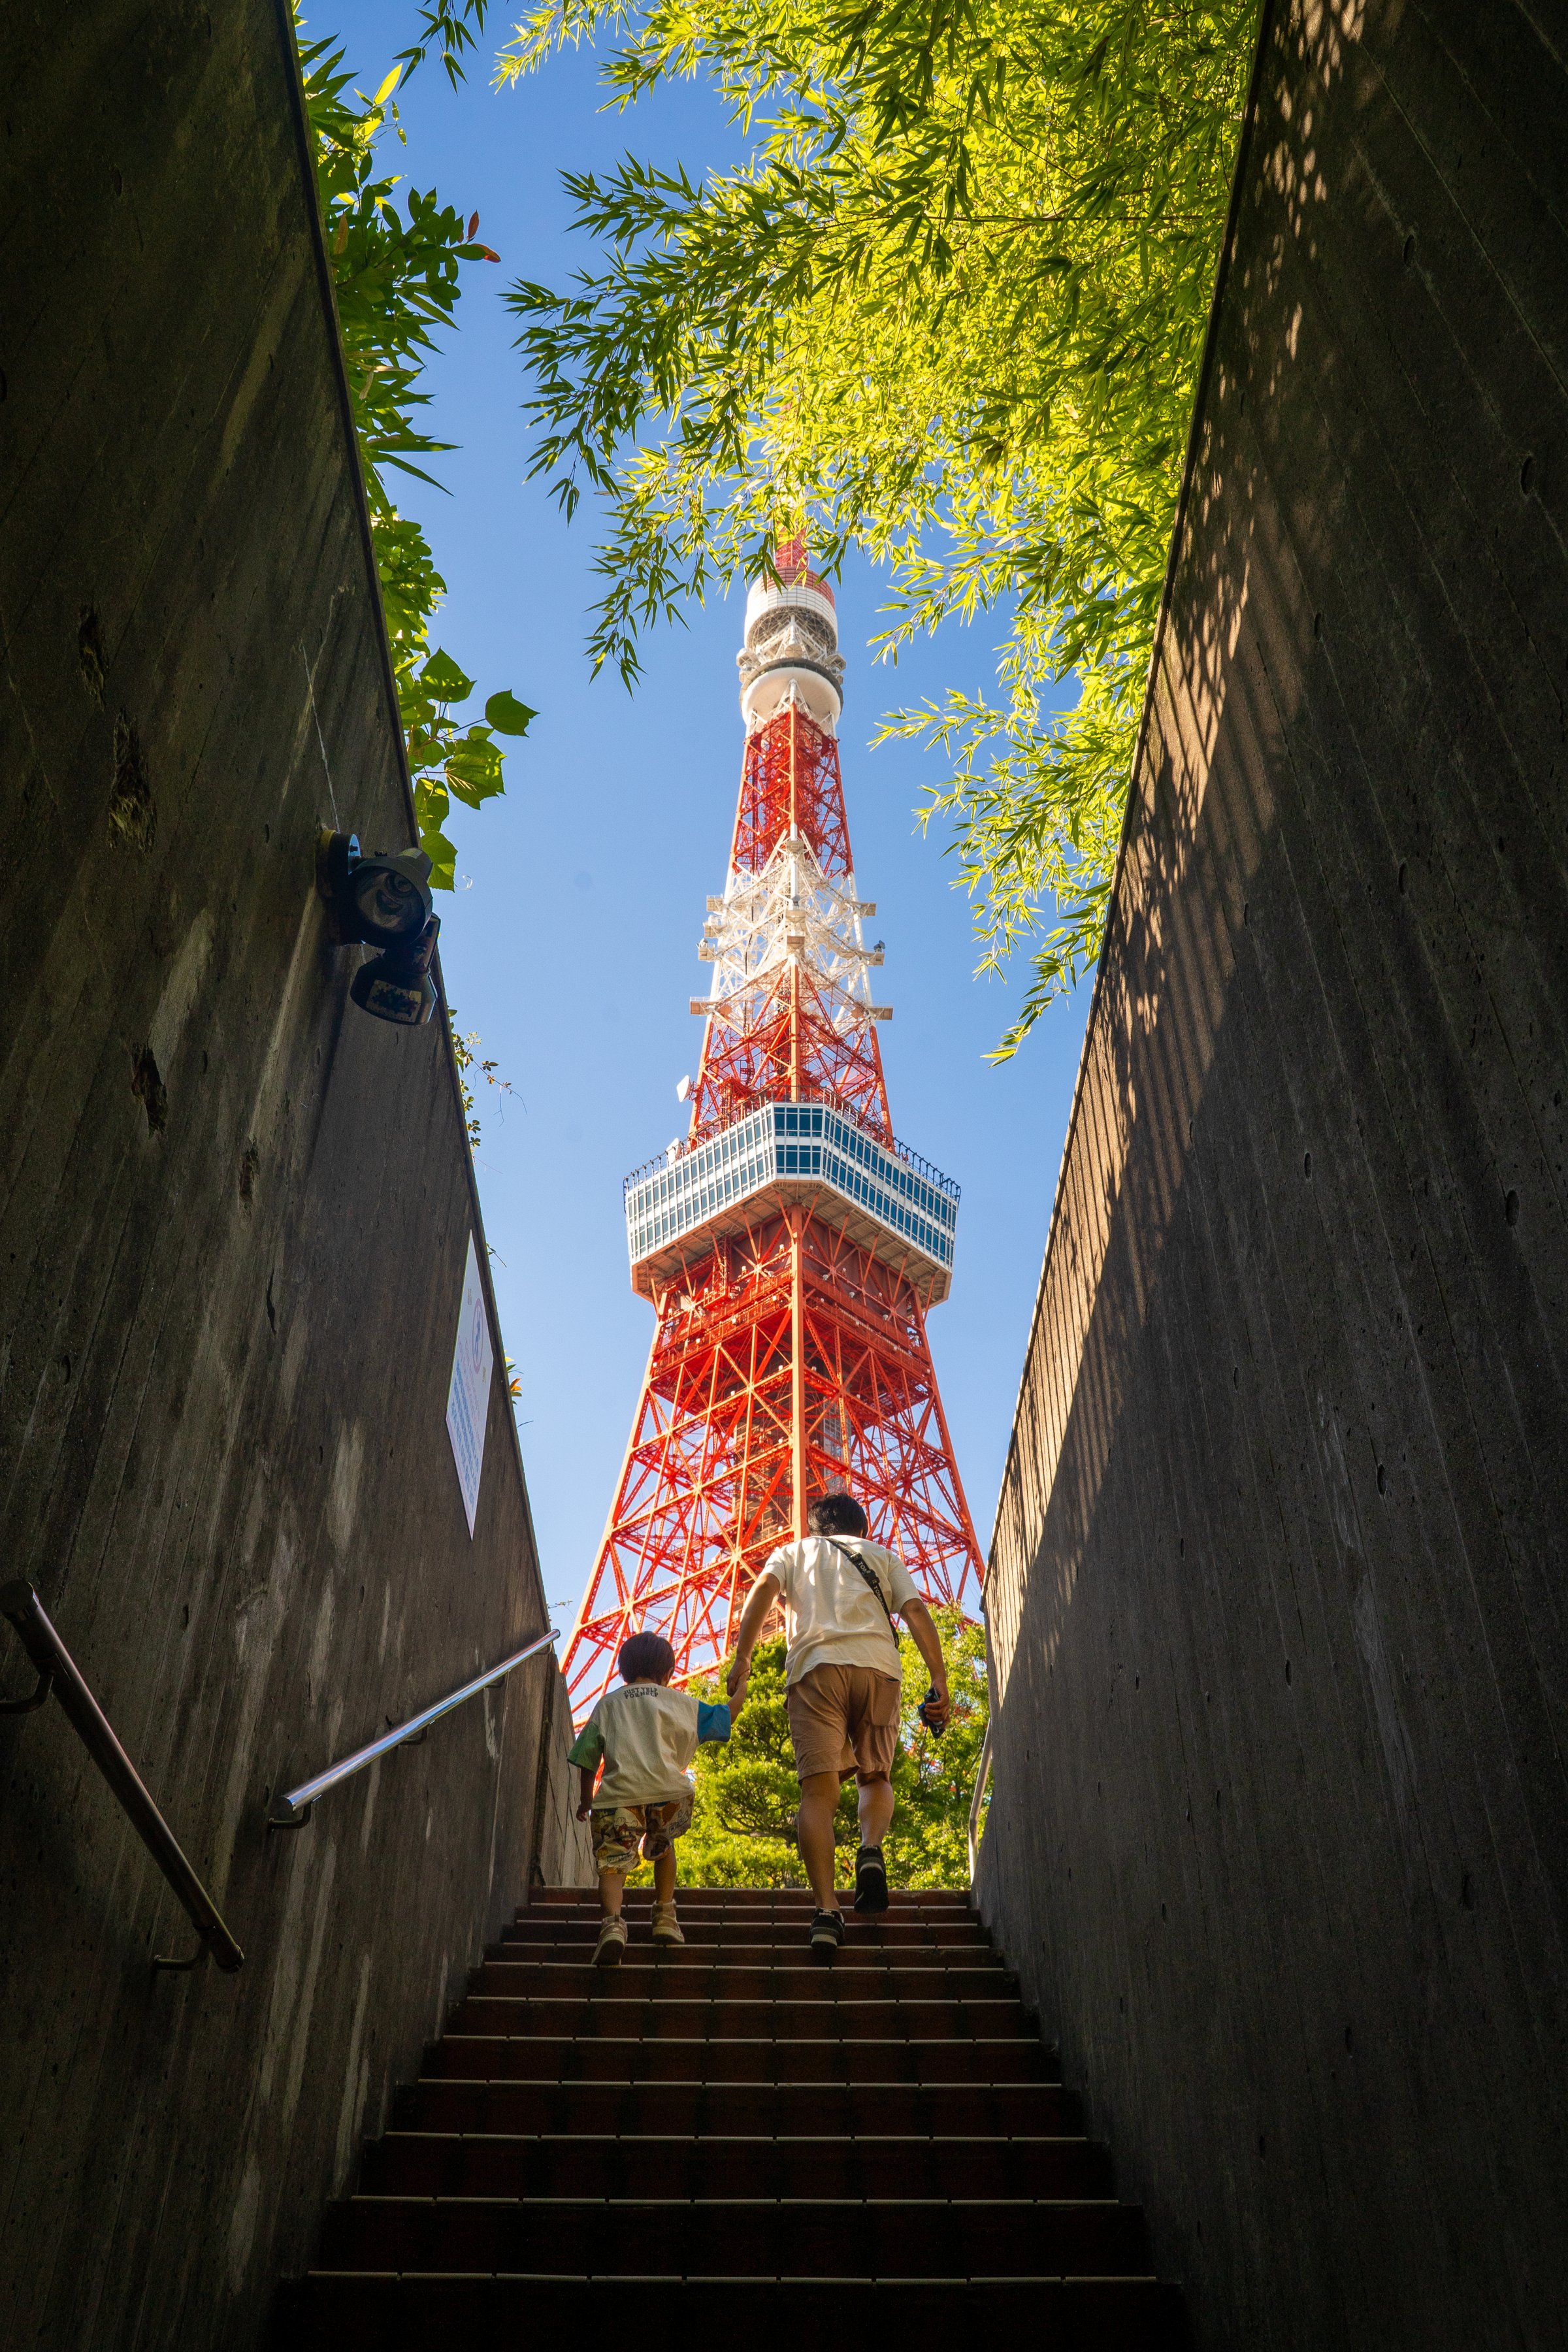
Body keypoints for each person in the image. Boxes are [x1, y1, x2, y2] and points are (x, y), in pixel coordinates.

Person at [726, 1492, 951, 1959]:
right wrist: (939, 1676)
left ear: (814, 1528)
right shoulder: (883, 1555)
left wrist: (744, 1658)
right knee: (876, 1775)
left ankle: (827, 1912)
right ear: (861, 1529)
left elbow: (762, 1593)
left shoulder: (793, 1551)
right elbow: (913, 1612)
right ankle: (870, 1848)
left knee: (818, 1795)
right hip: (879, 1668)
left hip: (816, 1667)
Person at [568, 1629, 733, 1965]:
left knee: (613, 1865)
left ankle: (613, 1926)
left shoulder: (608, 1704)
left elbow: (587, 1760)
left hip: (618, 1797)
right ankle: (665, 1916)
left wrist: (587, 1801)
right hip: (668, 1794)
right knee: (663, 1846)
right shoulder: (678, 1702)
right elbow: (724, 1717)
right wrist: (741, 1685)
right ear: (668, 1673)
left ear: (623, 1671)